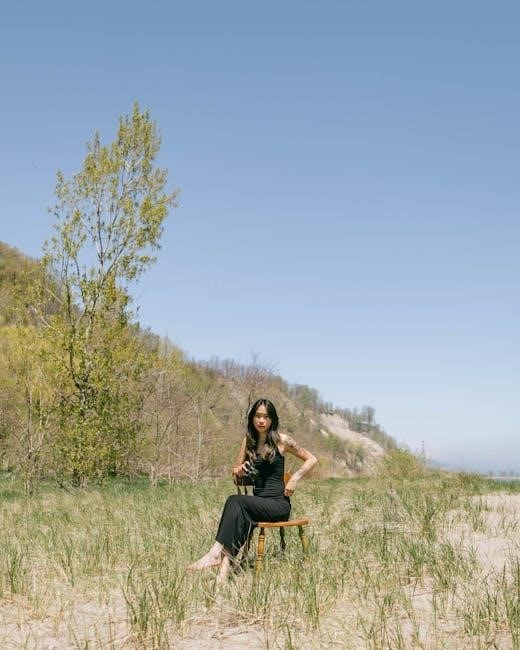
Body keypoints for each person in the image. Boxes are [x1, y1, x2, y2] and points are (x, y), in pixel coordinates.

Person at [188, 398, 318, 581]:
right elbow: (235, 473)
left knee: (235, 501)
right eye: (257, 416)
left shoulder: (282, 441)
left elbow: (312, 459)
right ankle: (222, 577)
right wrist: (239, 471)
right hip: (257, 505)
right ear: (252, 418)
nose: (261, 420)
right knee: (240, 516)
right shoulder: (248, 442)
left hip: (278, 505)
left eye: (266, 417)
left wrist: (294, 479)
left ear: (272, 419)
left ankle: (215, 553)